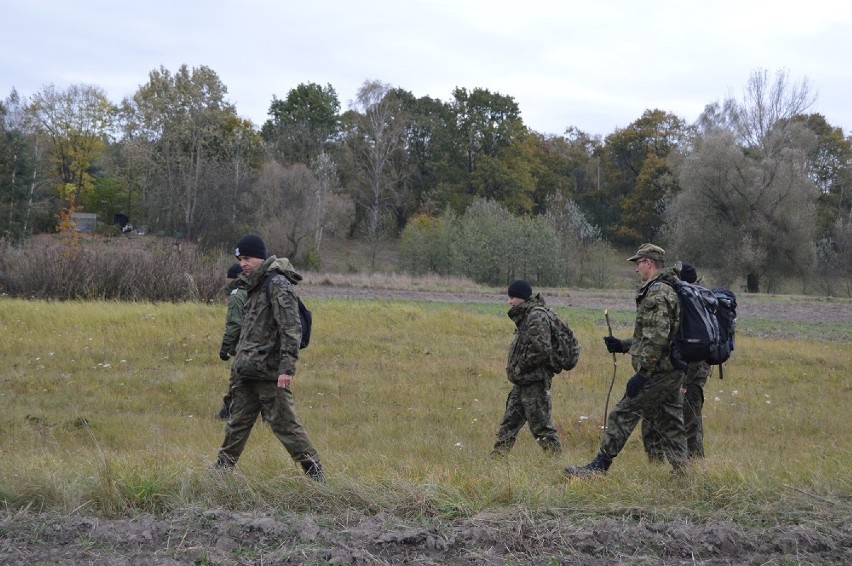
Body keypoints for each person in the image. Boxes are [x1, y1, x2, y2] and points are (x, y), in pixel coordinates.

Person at [564, 243, 687, 476]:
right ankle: (683, 473)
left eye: (638, 263)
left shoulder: (657, 292)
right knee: (672, 423)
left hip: (658, 372)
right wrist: (623, 345)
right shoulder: (670, 288)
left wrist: (642, 374)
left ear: (649, 263)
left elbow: (657, 336)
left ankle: (599, 467)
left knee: (623, 413)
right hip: (671, 369)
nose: (636, 269)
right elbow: (658, 335)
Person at [214, 234, 325, 481]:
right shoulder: (251, 286)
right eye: (240, 259)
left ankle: (317, 476)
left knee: (285, 426)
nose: (243, 263)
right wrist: (236, 370)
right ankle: (220, 476)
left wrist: (287, 369)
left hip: (269, 373)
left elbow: (291, 329)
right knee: (236, 427)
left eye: (247, 258)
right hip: (247, 372)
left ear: (261, 257)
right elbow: (248, 332)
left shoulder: (276, 284)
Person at [491, 279, 574, 457]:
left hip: (534, 382)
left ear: (521, 298)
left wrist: (520, 367)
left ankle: (556, 462)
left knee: (542, 428)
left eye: (512, 298)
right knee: (508, 424)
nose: (509, 302)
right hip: (523, 383)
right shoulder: (527, 316)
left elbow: (541, 350)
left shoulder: (536, 316)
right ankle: (496, 462)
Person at [642, 262, 712, 460]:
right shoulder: (699, 298)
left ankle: (663, 459)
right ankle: (691, 460)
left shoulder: (681, 300)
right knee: (690, 415)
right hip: (698, 366)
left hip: (684, 365)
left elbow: (662, 336)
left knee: (666, 412)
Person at [216, 262, 247, 420]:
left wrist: (225, 347)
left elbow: (234, 324)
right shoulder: (255, 290)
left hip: (245, 346)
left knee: (236, 379)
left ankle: (228, 412)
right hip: (261, 345)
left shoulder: (236, 294)